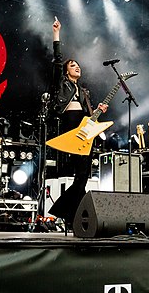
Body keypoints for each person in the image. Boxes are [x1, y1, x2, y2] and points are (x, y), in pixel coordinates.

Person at [47, 18, 107, 228]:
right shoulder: (61, 83)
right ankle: (66, 211)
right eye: (73, 65)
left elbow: (89, 115)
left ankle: (70, 213)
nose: (77, 67)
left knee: (83, 175)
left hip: (84, 129)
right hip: (70, 125)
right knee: (80, 173)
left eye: (78, 65)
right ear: (66, 71)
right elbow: (57, 59)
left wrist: (98, 111)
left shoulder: (84, 92)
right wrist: (56, 35)